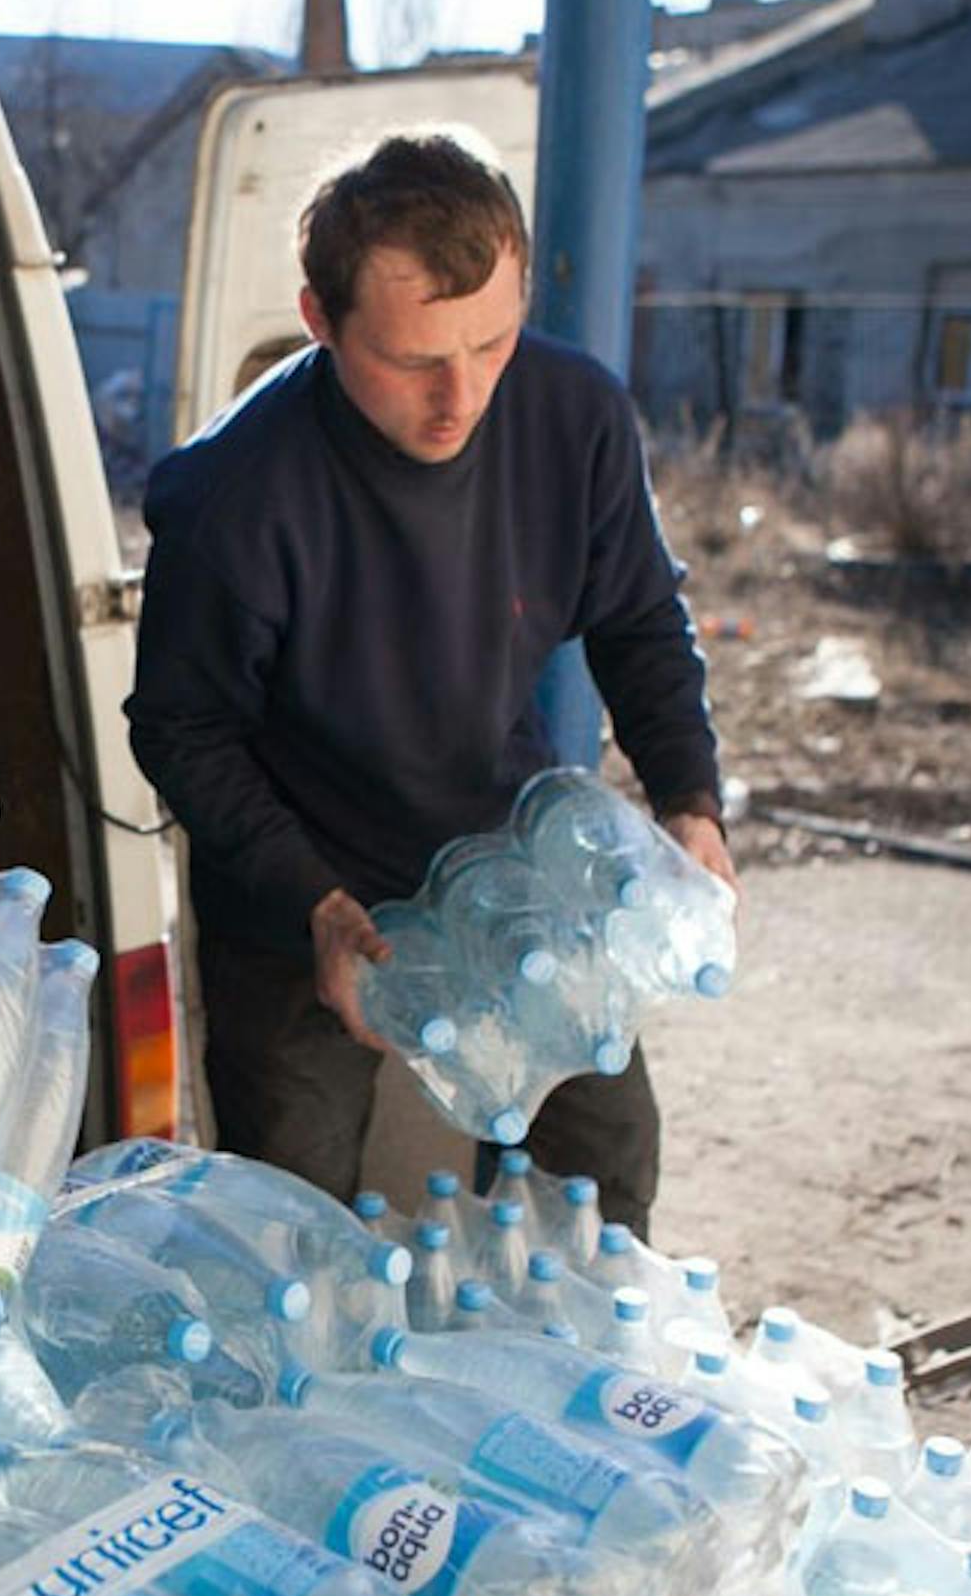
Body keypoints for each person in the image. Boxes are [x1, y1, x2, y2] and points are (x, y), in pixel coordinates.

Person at [127, 131, 733, 1234]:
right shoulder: (233, 495)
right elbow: (183, 731)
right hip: (301, 881)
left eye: (491, 345)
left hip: (511, 860)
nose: (460, 399)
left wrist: (690, 799)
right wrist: (311, 901)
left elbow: (641, 621)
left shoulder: (575, 416)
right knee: (292, 1203)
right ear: (319, 321)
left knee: (606, 1162)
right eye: (413, 363)